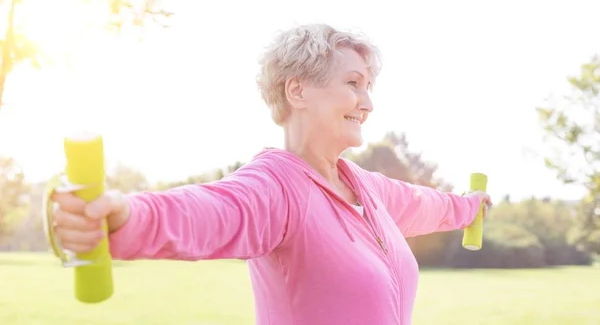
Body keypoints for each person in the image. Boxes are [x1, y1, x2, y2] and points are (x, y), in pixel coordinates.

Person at [51, 23, 492, 325]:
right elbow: (212, 211)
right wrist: (127, 217)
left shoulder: (367, 190)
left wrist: (471, 205)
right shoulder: (276, 189)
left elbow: (427, 204)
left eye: (369, 87)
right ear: (298, 90)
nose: (368, 102)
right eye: (353, 84)